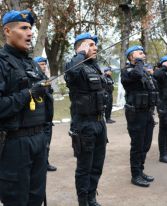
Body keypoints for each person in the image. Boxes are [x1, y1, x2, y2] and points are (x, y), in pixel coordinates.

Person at [0, 10, 49, 205]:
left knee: (36, 198)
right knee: (17, 200)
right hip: (14, 143)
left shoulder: (33, 65)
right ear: (7, 31)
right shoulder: (2, 63)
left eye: (31, 28)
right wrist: (28, 94)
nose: (30, 33)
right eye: (24, 28)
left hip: (39, 140)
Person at [64, 32, 107, 206]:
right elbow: (70, 74)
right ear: (80, 47)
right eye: (90, 44)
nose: (95, 47)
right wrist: (80, 53)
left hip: (99, 122)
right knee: (84, 167)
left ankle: (91, 198)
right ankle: (83, 202)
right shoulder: (76, 66)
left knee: (97, 165)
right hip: (84, 125)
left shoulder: (94, 67)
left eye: (95, 45)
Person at [121, 45, 157, 187]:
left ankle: (140, 171)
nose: (143, 54)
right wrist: (139, 63)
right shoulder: (127, 71)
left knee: (146, 144)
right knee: (137, 145)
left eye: (143, 53)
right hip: (135, 113)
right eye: (139, 53)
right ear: (131, 57)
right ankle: (135, 175)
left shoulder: (144, 71)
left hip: (147, 113)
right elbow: (136, 75)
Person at [34, 56, 57, 172]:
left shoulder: (46, 78)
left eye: (44, 64)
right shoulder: (35, 78)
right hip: (40, 118)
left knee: (47, 143)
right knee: (41, 144)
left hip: (48, 117)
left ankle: (45, 162)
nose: (43, 66)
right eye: (41, 64)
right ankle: (41, 164)